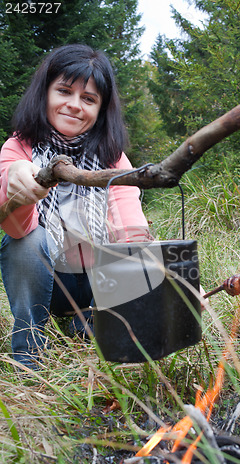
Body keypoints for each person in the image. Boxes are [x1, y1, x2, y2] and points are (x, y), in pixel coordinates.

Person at [0, 44, 152, 370]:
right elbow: (16, 229)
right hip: (50, 281)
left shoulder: (111, 157)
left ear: (100, 109)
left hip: (99, 280)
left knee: (128, 253)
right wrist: (17, 186)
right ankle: (29, 356)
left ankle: (92, 329)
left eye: (89, 99)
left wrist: (159, 276)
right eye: (64, 91)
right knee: (24, 245)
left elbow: (130, 228)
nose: (74, 105)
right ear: (45, 93)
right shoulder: (18, 148)